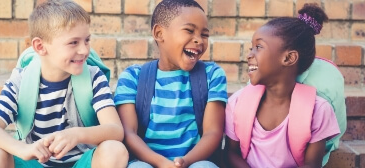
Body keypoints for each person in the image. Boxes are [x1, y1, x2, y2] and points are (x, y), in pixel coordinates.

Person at [0, 0, 128, 167]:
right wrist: (22, 148)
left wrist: (77, 134)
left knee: (115, 150)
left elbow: (115, 130)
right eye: (73, 42)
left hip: (80, 162)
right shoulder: (21, 82)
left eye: (87, 40)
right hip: (35, 163)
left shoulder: (94, 77)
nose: (84, 50)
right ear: (40, 46)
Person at [224, 3, 341, 168]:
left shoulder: (318, 110)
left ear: (288, 58)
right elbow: (231, 153)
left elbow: (312, 165)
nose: (249, 55)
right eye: (251, 47)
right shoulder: (237, 103)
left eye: (258, 47)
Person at [114, 0, 228, 167]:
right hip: (149, 162)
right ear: (159, 33)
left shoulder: (212, 75)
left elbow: (213, 132)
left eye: (204, 34)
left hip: (193, 162)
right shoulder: (133, 77)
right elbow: (129, 133)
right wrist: (162, 164)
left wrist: (184, 162)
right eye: (189, 30)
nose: (199, 40)